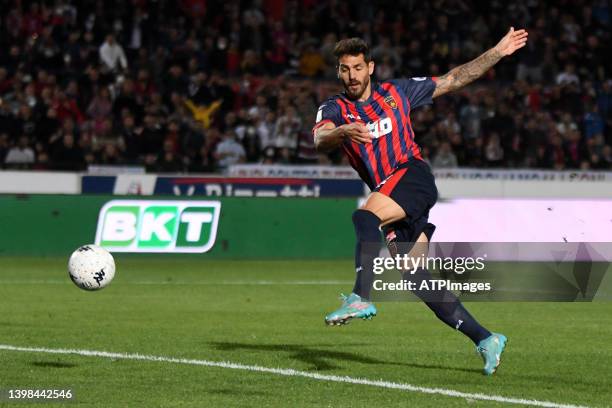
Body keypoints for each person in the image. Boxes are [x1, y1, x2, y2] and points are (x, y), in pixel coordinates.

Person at [312, 28, 528, 375]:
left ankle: (360, 296)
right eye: (344, 69)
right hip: (391, 192)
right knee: (415, 277)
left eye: (356, 67)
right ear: (338, 72)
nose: (351, 75)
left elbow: (454, 78)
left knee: (365, 218)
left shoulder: (398, 92)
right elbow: (320, 139)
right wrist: (341, 132)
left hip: (411, 176)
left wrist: (497, 52)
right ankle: (486, 339)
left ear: (370, 67)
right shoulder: (334, 108)